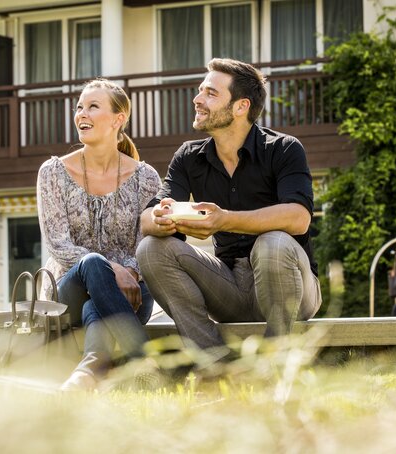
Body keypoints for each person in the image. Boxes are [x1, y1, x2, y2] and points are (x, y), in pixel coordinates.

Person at [137, 58, 322, 361]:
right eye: (200, 91)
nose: (197, 99)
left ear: (240, 106)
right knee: (150, 249)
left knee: (272, 243)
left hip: (292, 286)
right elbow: (148, 217)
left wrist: (224, 220)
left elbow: (299, 218)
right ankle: (214, 363)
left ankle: (274, 366)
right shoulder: (188, 157)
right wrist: (160, 217)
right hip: (230, 287)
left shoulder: (284, 148)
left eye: (210, 93)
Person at [36, 78, 161, 391]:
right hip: (69, 290)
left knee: (98, 305)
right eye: (79, 107)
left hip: (133, 288)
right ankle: (142, 360)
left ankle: (88, 372)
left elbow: (149, 244)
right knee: (93, 264)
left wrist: (130, 269)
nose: (82, 114)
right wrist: (114, 269)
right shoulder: (52, 172)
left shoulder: (146, 178)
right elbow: (58, 244)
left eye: (93, 106)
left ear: (118, 119)